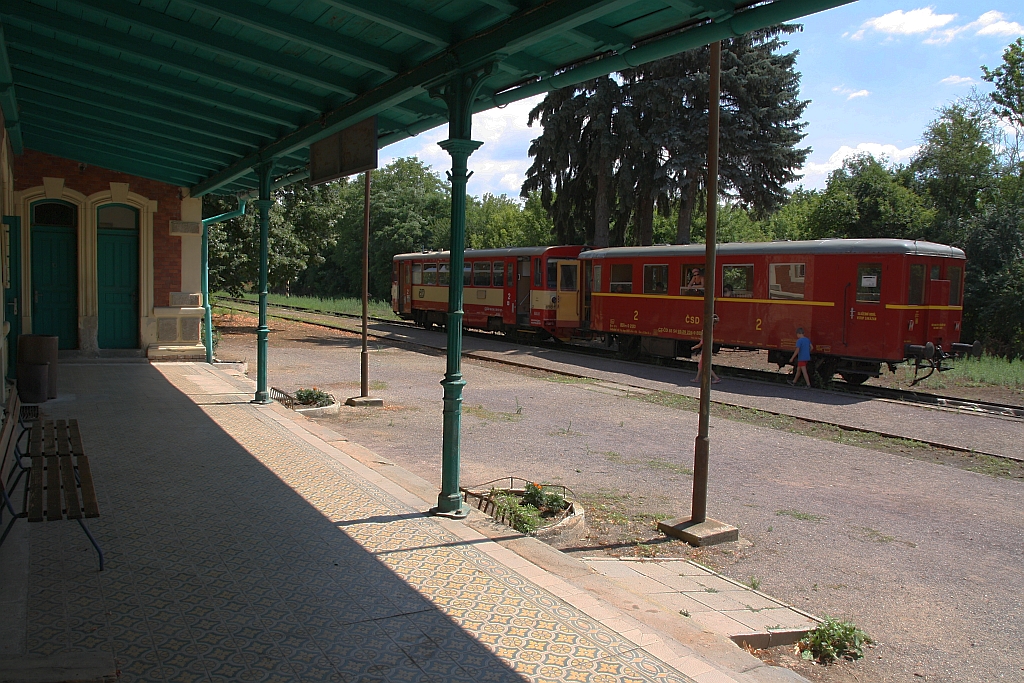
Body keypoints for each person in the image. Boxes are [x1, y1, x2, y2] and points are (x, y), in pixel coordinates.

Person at [691, 316, 721, 384]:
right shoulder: (709, 333)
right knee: (701, 366)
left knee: (705, 366)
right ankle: (697, 378)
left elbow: (699, 345)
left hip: (705, 352)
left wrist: (693, 348)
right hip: (706, 351)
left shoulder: (704, 338)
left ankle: (716, 378)